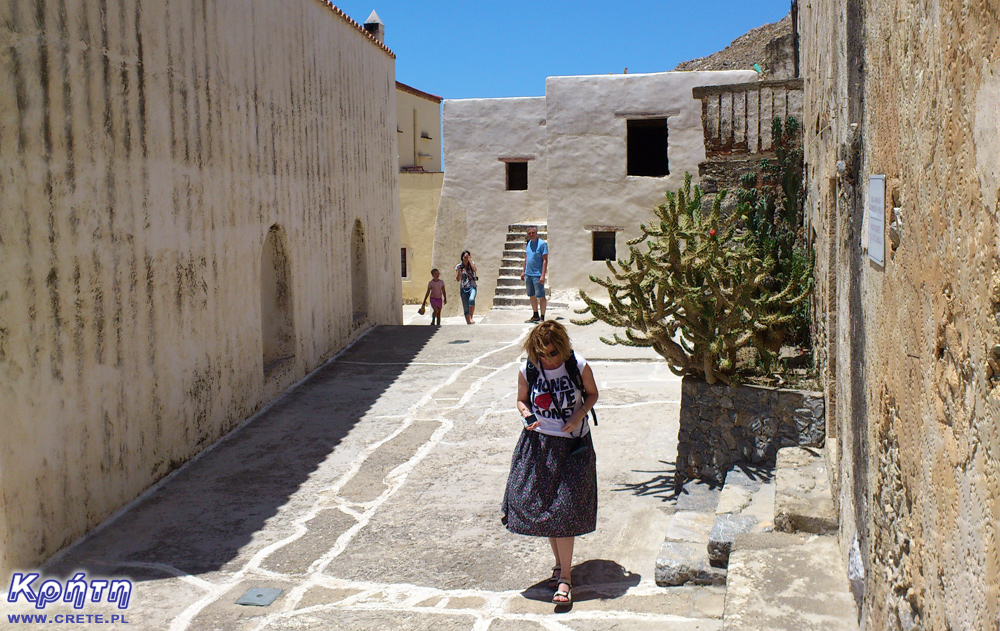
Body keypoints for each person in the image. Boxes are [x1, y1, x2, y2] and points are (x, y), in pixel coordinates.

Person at [502, 320, 599, 605]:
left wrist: (577, 415)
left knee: (565, 511)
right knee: (547, 508)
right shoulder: (528, 369)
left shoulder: (577, 365)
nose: (548, 358)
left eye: (553, 352)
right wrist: (527, 415)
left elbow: (593, 394)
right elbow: (522, 401)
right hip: (539, 445)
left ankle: (565, 579)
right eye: (542, 353)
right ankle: (560, 565)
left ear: (563, 346)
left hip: (573, 447)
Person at [520, 226, 548, 323]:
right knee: (531, 295)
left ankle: (542, 317)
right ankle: (535, 315)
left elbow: (545, 260)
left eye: (533, 232)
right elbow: (527, 258)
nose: (531, 235)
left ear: (536, 233)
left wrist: (543, 275)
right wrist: (523, 271)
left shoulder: (542, 244)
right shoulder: (528, 243)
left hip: (537, 274)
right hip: (528, 274)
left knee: (541, 296)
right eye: (529, 233)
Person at [455, 250, 478, 325]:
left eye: (467, 257)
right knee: (465, 307)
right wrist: (458, 271)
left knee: (471, 299)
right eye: (465, 257)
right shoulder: (459, 266)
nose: (466, 259)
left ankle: (471, 317)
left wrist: (470, 261)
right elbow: (458, 279)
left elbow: (474, 270)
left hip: (472, 286)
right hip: (463, 288)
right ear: (462, 257)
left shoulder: (472, 264)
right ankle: (468, 321)